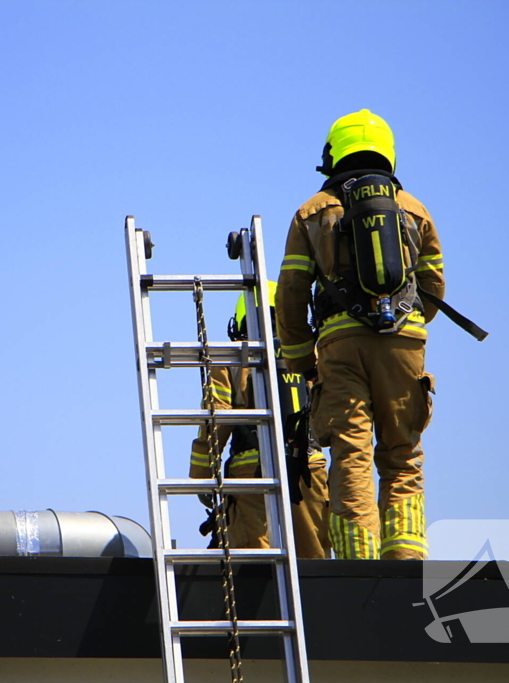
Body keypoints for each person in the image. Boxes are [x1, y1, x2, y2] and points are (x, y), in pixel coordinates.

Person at [275, 109, 444, 560]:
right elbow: (434, 289)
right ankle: (407, 558)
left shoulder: (311, 211)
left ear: (333, 153)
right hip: (405, 341)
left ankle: (358, 564)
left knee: (351, 451)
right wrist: (402, 325)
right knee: (403, 452)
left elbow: (291, 293)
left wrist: (301, 362)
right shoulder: (415, 210)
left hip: (340, 347)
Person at [189, 282, 332, 559]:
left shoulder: (230, 359)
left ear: (240, 320)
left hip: (249, 474)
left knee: (252, 565)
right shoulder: (313, 357)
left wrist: (202, 477)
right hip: (307, 467)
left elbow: (215, 422)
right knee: (313, 560)